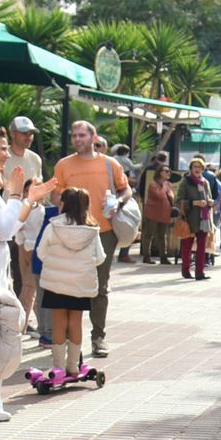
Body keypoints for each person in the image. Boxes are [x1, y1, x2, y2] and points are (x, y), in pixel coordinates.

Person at [0, 128, 59, 421]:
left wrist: (29, 200)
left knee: (0, 333)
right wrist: (18, 194)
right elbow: (4, 228)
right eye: (3, 148)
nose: (7, 154)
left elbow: (11, 225)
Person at [49, 121, 130, 357]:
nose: (77, 139)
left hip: (103, 231)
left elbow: (125, 189)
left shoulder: (109, 163)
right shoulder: (63, 165)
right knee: (69, 285)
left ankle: (98, 337)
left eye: (82, 135)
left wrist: (119, 202)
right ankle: (69, 339)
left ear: (93, 137)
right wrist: (61, 203)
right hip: (71, 232)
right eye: (74, 135)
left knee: (99, 287)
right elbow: (56, 195)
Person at [36, 187, 106, 382]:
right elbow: (100, 258)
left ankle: (57, 366)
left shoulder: (53, 227)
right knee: (75, 321)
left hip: (56, 283)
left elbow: (41, 252)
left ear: (64, 204)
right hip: (80, 284)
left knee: (58, 321)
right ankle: (73, 366)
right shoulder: (92, 230)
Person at [7, 117, 45, 337]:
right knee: (10, 275)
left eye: (31, 132)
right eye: (23, 132)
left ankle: (22, 319)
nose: (28, 136)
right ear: (13, 133)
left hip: (28, 225)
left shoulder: (35, 159)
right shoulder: (3, 156)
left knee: (26, 279)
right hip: (2, 223)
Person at [175, 159, 214, 280]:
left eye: (199, 167)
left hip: (204, 218)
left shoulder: (205, 182)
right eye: (194, 167)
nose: (197, 169)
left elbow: (209, 198)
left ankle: (199, 272)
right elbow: (178, 201)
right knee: (187, 245)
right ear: (191, 168)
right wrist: (194, 203)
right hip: (190, 218)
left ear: (202, 169)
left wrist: (210, 202)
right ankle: (185, 270)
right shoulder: (186, 181)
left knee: (202, 246)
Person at [139, 161, 174, 264]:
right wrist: (165, 186)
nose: (168, 173)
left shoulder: (168, 184)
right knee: (148, 235)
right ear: (160, 172)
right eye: (166, 171)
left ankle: (163, 257)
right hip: (152, 213)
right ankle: (146, 256)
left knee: (162, 236)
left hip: (164, 213)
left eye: (169, 172)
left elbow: (172, 196)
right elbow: (160, 195)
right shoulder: (153, 184)